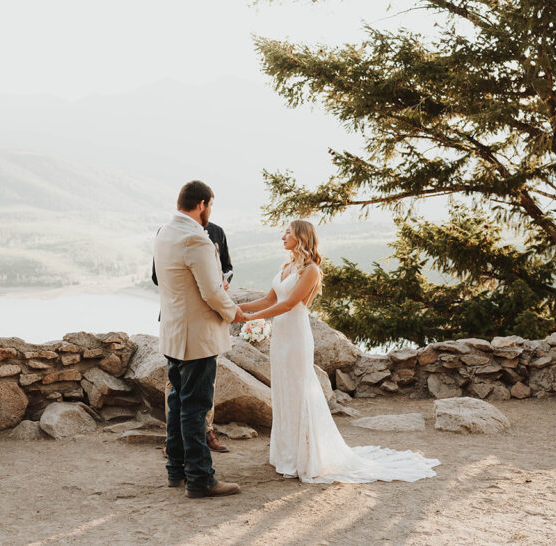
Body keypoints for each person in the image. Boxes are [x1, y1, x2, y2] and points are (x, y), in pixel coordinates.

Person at [235, 220, 440, 483]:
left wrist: (251, 318)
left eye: (288, 232)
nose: (282, 236)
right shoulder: (285, 266)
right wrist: (239, 309)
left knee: (298, 391)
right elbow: (268, 299)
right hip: (281, 337)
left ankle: (303, 457)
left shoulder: (311, 270)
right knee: (284, 390)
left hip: (296, 335)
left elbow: (288, 305)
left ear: (301, 237)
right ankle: (285, 454)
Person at [153, 180, 245, 498]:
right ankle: (201, 478)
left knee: (178, 401)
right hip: (198, 338)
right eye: (210, 207)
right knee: (196, 406)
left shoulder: (165, 233)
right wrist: (234, 313)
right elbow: (211, 292)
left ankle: (176, 470)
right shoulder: (196, 239)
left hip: (173, 333)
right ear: (203, 204)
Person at [152, 220, 233, 452]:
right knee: (175, 384)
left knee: (206, 384)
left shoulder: (216, 232)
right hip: (178, 320)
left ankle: (206, 432)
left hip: (204, 323)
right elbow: (158, 276)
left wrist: (222, 282)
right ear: (201, 204)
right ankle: (174, 440)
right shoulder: (165, 232)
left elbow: (227, 267)